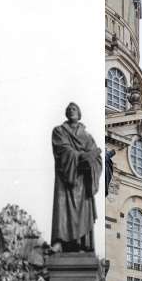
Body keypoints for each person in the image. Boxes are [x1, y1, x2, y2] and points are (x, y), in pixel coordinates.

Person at [51, 102, 102, 253]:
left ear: (79, 114)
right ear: (66, 114)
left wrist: (92, 161)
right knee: (63, 208)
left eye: (75, 109)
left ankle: (82, 244)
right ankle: (60, 241)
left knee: (83, 211)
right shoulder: (59, 131)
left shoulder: (87, 136)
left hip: (82, 179)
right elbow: (62, 149)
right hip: (66, 177)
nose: (72, 111)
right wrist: (82, 156)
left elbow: (97, 160)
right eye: (69, 109)